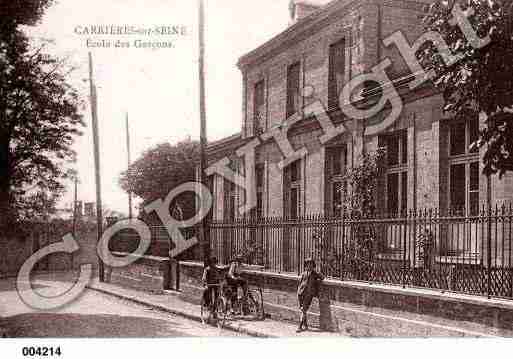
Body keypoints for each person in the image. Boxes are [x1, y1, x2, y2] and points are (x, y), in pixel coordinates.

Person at [297, 258, 324, 333]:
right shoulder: (303, 273)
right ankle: (305, 325)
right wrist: (298, 292)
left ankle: (299, 326)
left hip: (308, 295)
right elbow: (300, 283)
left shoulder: (315, 274)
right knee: (303, 310)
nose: (309, 266)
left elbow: (322, 277)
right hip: (301, 293)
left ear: (313, 266)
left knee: (303, 310)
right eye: (307, 264)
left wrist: (318, 273)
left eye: (311, 265)